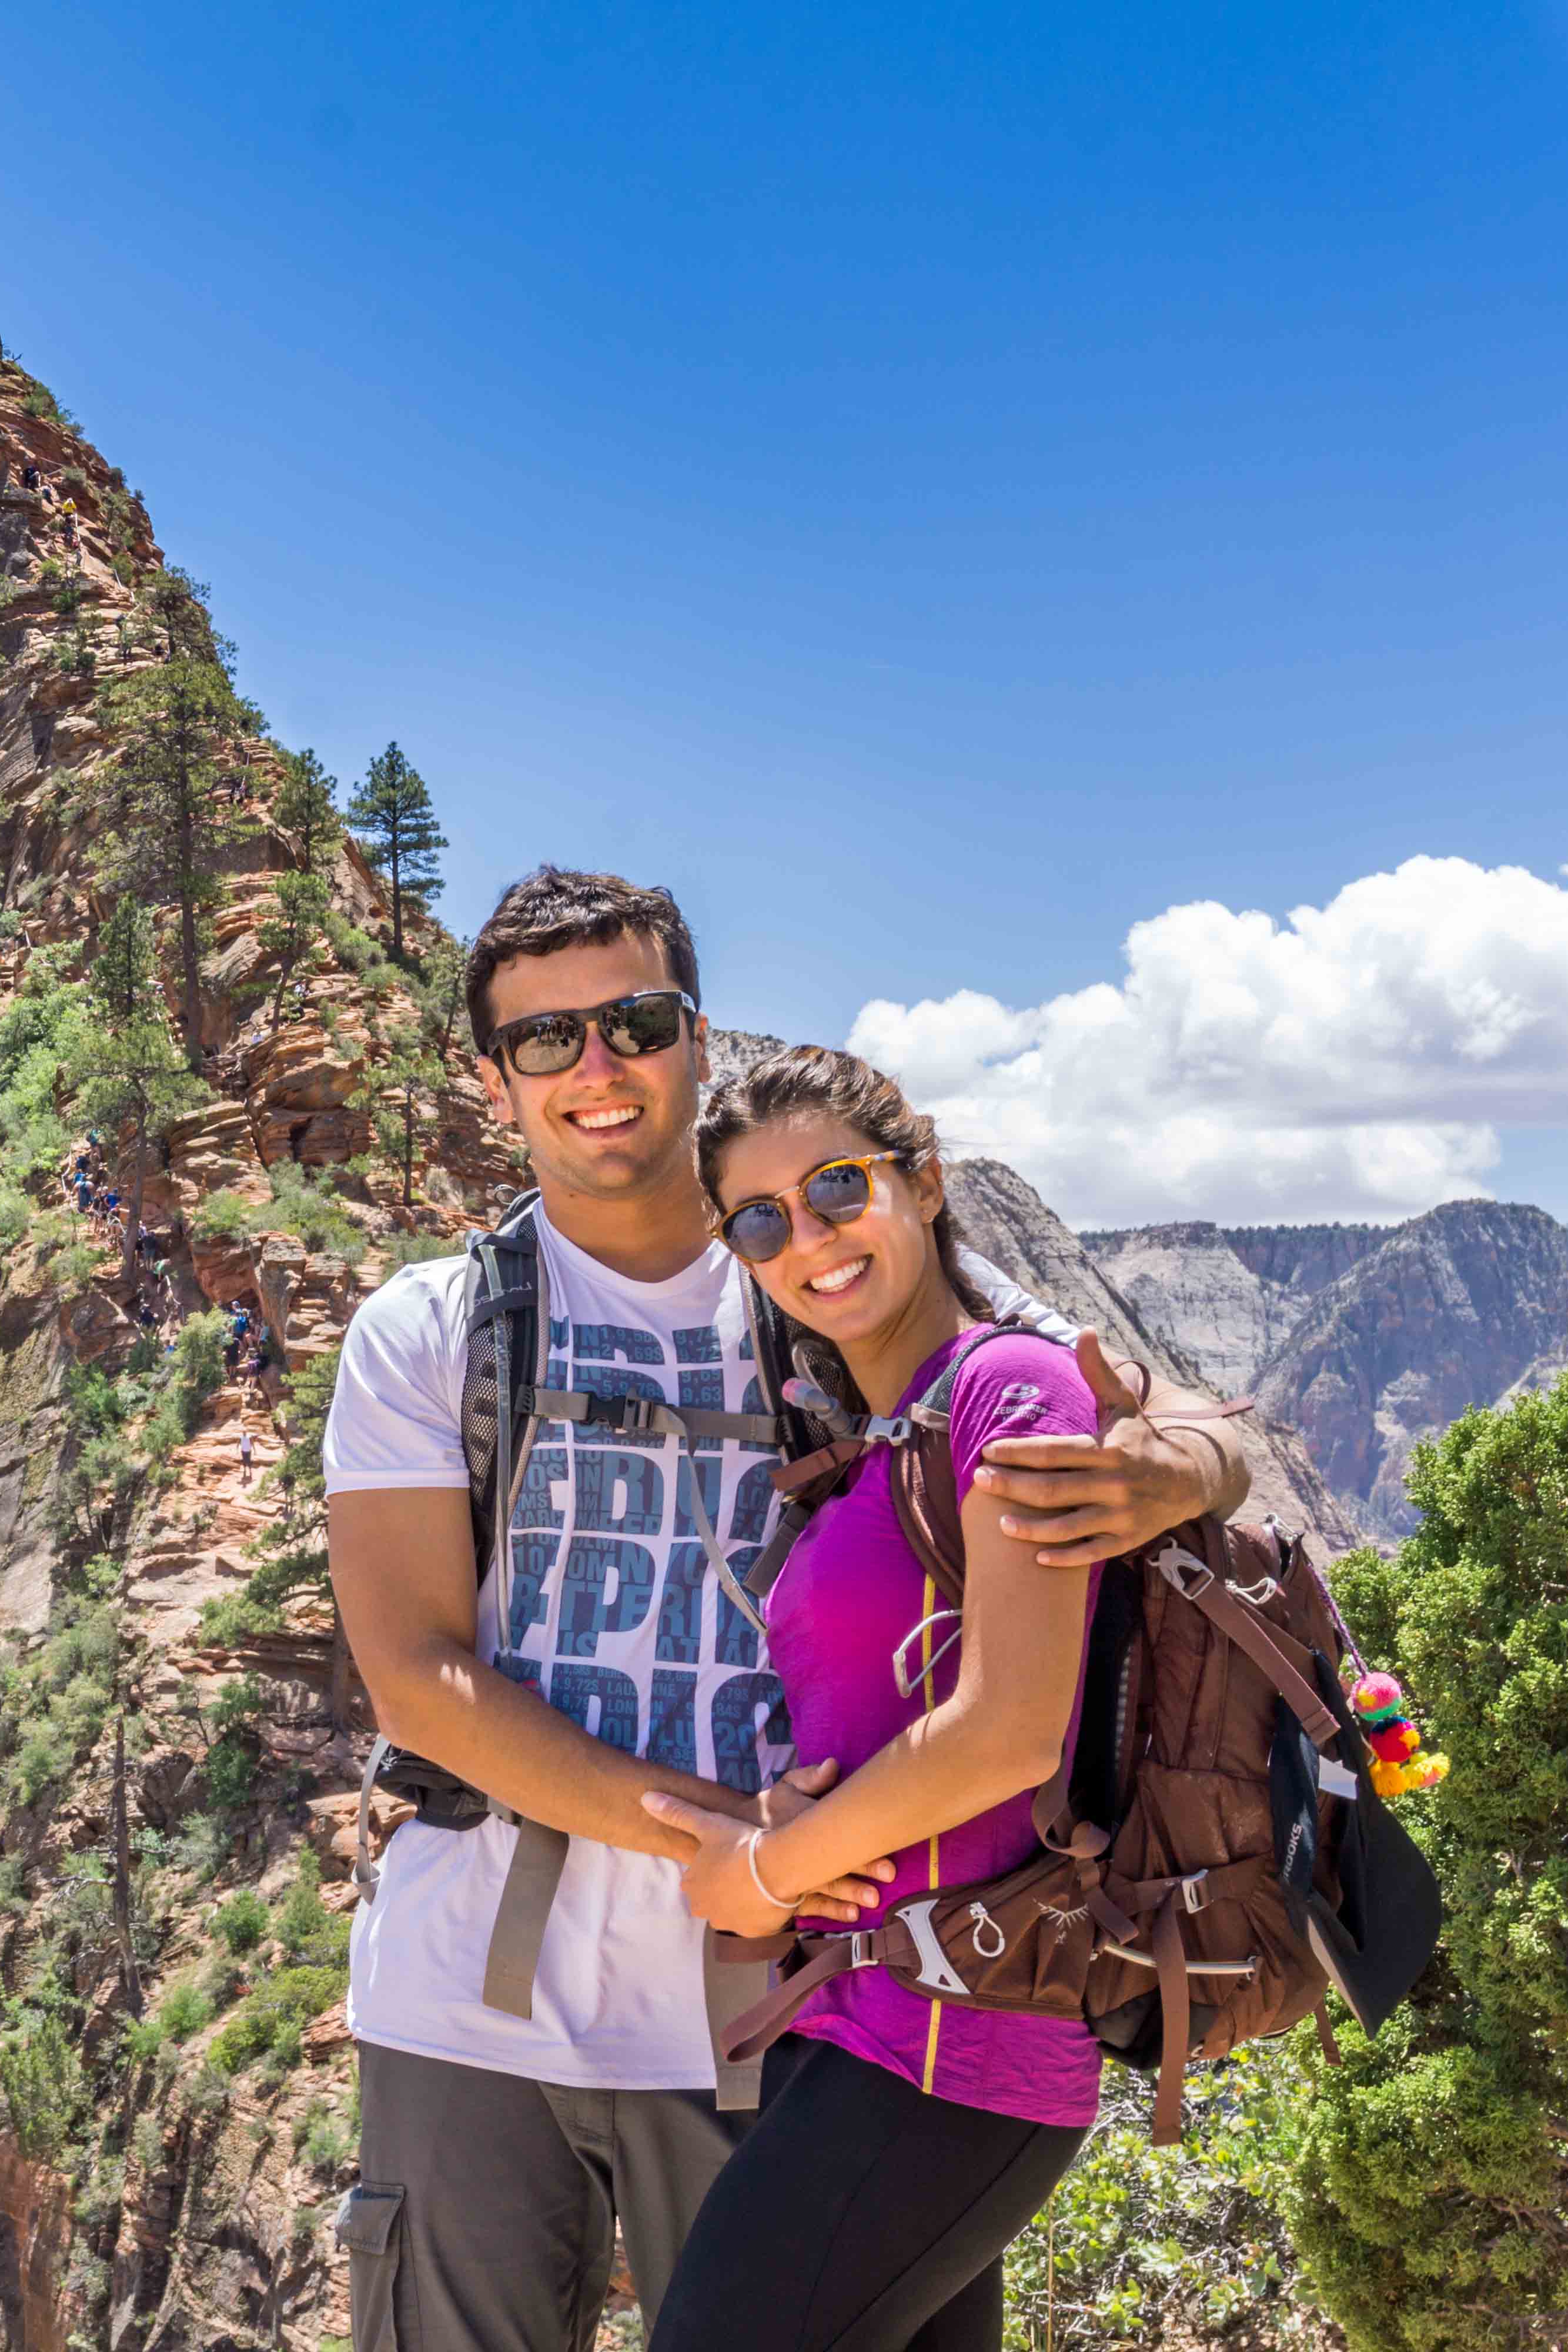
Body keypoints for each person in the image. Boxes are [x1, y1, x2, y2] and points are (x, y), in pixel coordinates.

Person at [323, 869, 1248, 2352]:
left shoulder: (812, 1263)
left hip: (791, 2009)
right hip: (470, 2004)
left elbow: (1076, 1380)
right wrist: (734, 1843)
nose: (597, 1069)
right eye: (546, 1041)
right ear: (494, 1082)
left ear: (693, 1032)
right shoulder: (433, 1328)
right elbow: (420, 1679)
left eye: (632, 1020)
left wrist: (1199, 1459)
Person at [633, 1048, 1104, 2352]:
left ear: (927, 1179)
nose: (809, 1238)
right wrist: (796, 1804)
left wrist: (768, 1870)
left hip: (959, 2042)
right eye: (762, 1219)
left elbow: (1009, 1727)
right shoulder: (872, 1435)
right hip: (860, 2025)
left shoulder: (1010, 1389)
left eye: (839, 1186)